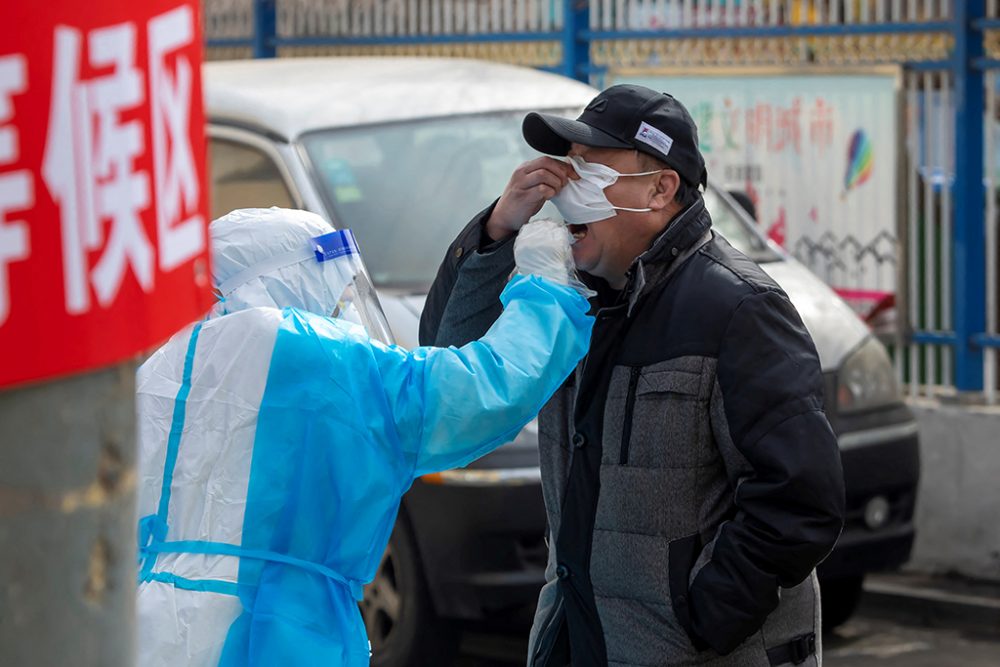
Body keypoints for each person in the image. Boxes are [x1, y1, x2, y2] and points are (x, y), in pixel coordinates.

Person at [420, 85, 846, 666]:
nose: (565, 189)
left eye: (590, 172)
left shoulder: (738, 309)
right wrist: (498, 231)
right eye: (564, 168)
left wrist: (701, 620)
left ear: (660, 190)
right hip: (578, 639)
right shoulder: (569, 302)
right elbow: (448, 357)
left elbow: (799, 500)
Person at [135, 207, 594, 667]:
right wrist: (544, 286)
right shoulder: (309, 355)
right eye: (332, 293)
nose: (342, 311)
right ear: (288, 281)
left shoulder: (159, 370)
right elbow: (482, 391)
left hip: (146, 626)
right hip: (272, 627)